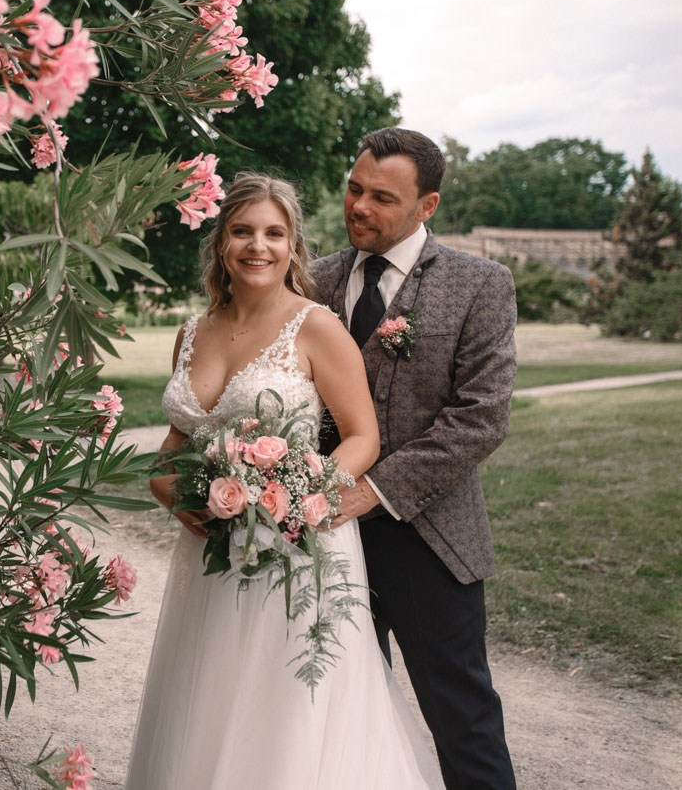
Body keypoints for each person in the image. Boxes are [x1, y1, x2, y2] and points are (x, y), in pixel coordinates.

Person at [125, 173, 443, 789]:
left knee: (288, 703)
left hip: (298, 544)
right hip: (211, 550)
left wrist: (300, 495)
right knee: (209, 696)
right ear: (220, 242)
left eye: (274, 233)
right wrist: (166, 489)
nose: (257, 246)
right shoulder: (191, 332)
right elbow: (176, 444)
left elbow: (362, 437)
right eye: (242, 231)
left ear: (293, 244)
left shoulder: (317, 326)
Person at [313, 127, 518, 789]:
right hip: (321, 536)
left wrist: (373, 489)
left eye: (381, 197)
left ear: (426, 206)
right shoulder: (310, 279)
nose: (359, 207)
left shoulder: (480, 284)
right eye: (353, 188)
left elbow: (481, 417)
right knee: (329, 709)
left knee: (462, 718)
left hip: (429, 536)